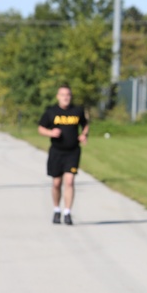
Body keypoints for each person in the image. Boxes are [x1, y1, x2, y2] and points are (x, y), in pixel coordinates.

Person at [38, 84, 88, 225]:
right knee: (56, 183)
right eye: (63, 95)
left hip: (72, 151)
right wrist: (50, 133)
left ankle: (67, 212)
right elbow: (40, 128)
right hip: (56, 152)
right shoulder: (51, 112)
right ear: (58, 97)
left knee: (69, 181)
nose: (66, 97)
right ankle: (56, 209)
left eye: (68, 95)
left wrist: (84, 135)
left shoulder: (77, 111)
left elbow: (85, 124)